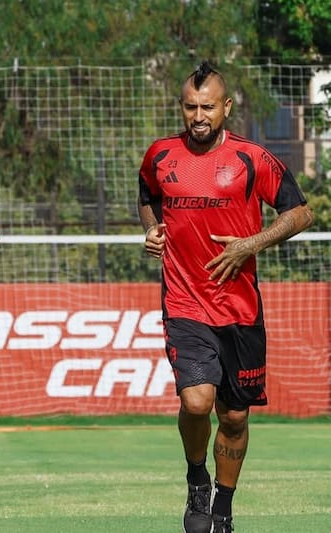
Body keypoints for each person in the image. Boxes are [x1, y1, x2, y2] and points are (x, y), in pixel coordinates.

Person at [137, 61, 313, 533]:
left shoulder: (252, 159)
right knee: (197, 401)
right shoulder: (160, 155)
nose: (198, 116)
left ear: (226, 107)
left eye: (207, 107)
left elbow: (300, 212)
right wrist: (153, 230)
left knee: (234, 416)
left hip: (240, 308)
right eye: (190, 106)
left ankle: (224, 508)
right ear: (182, 107)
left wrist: (251, 244)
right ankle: (198, 480)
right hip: (185, 302)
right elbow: (147, 198)